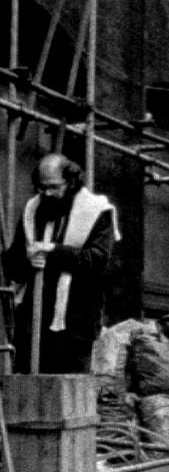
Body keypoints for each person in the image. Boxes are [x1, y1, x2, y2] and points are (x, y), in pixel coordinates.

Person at [2, 153, 120, 373]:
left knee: (68, 391)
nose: (48, 194)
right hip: (33, 323)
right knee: (30, 388)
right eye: (42, 188)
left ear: (72, 182)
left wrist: (53, 251)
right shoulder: (32, 210)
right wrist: (28, 259)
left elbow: (98, 261)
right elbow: (13, 267)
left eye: (55, 187)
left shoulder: (96, 211)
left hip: (76, 323)